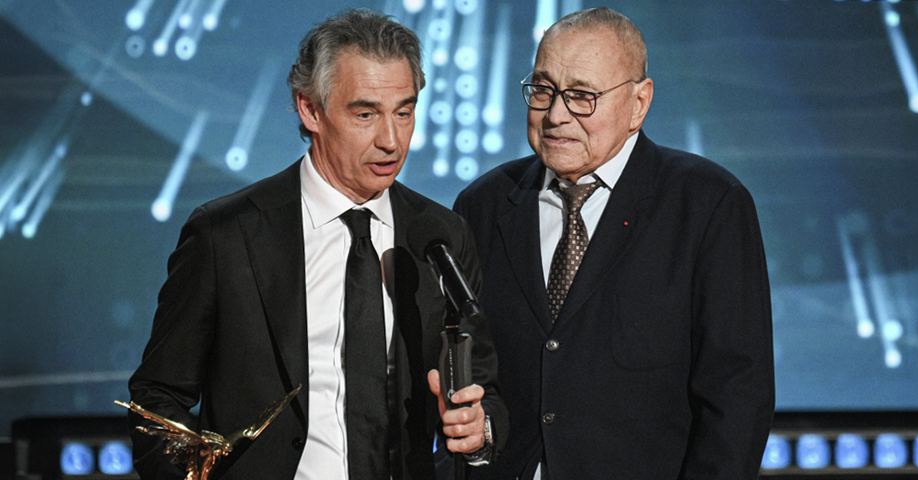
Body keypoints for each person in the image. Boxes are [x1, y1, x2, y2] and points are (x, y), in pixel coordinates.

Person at [128, 9, 506, 480]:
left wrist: (479, 427)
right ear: (310, 110)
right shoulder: (226, 235)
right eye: (366, 114)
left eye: (404, 112)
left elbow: (485, 391)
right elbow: (158, 400)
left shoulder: (440, 237)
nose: (391, 140)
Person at [453, 7, 774, 479]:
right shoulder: (483, 205)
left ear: (638, 103)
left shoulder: (707, 204)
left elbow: (737, 394)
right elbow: (469, 368)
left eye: (582, 96)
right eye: (542, 90)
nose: (555, 115)